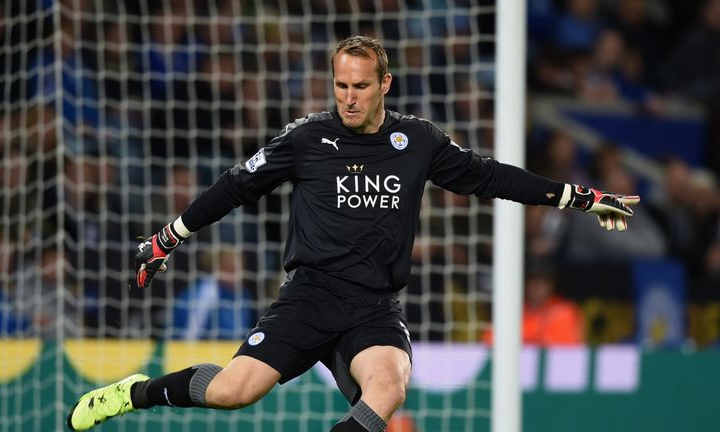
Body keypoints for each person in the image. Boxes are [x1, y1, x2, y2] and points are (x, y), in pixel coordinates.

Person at [67, 35, 640, 432]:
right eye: (340, 85)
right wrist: (169, 236)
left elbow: (490, 177)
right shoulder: (306, 139)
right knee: (232, 392)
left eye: (360, 86)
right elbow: (236, 186)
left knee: (388, 389)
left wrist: (580, 198)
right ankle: (134, 392)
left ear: (384, 83)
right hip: (309, 296)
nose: (347, 97)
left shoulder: (418, 141)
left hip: (372, 307)